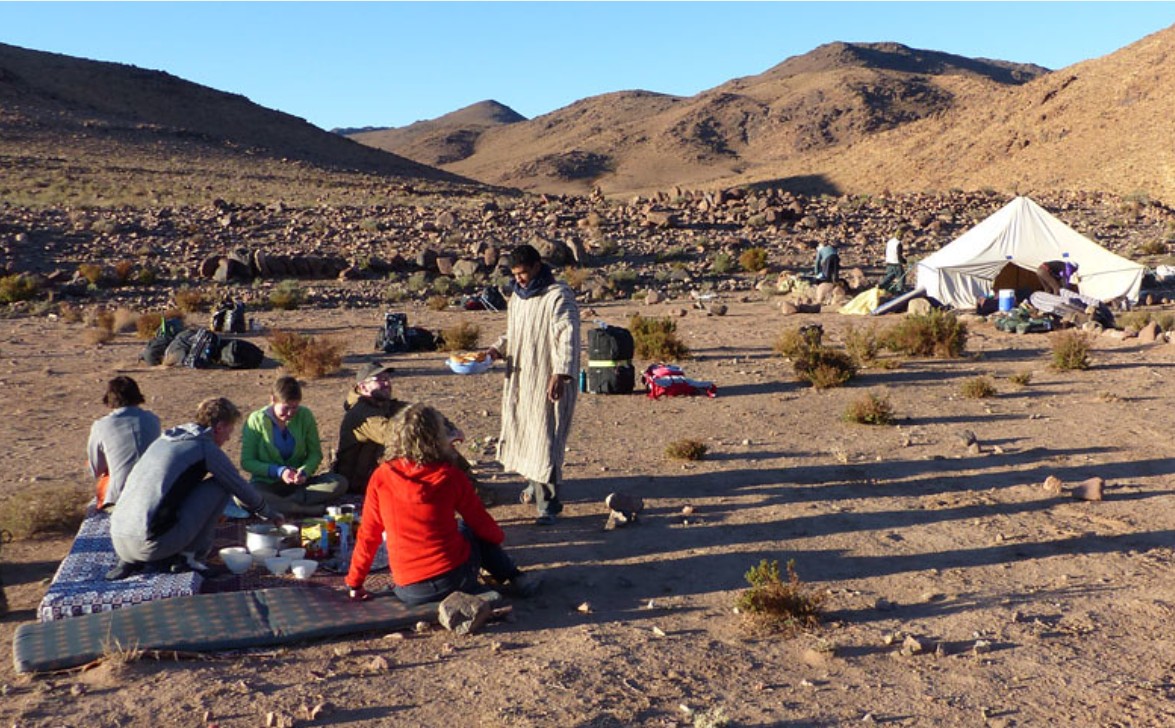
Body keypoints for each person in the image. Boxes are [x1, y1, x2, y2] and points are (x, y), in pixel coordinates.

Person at [345, 404, 539, 605]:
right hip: (453, 578)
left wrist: (355, 583)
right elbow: (482, 524)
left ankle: (492, 584)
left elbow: (368, 534)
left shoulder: (381, 476)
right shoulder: (450, 476)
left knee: (462, 531)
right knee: (468, 528)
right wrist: (497, 541)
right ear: (437, 437)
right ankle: (514, 577)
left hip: (409, 590)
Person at [108, 397, 281, 580]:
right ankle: (190, 559)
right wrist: (269, 513)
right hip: (150, 546)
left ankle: (138, 559)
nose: (229, 437)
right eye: (229, 430)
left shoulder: (166, 439)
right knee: (221, 484)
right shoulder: (204, 446)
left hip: (119, 542)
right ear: (220, 427)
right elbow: (238, 485)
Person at [486, 244, 580, 525]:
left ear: (538, 266)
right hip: (522, 376)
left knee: (545, 439)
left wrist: (560, 373)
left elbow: (568, 336)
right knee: (526, 432)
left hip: (548, 378)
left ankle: (548, 504)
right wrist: (495, 350)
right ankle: (532, 486)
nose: (520, 279)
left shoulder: (558, 296)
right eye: (515, 275)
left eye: (524, 273)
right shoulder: (518, 297)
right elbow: (515, 332)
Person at [333, 362, 495, 504]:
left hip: (376, 470)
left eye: (387, 378)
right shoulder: (362, 413)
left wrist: (449, 428)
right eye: (379, 380)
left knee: (430, 437)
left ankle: (468, 485)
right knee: (429, 446)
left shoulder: (382, 404)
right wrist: (442, 438)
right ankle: (468, 492)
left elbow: (420, 412)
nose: (386, 383)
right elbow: (394, 436)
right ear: (363, 387)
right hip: (360, 479)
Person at [240, 376, 347, 517]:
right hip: (267, 484)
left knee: (339, 482)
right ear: (273, 400)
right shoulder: (256, 420)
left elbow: (315, 454)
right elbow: (247, 462)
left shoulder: (305, 415)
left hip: (298, 486)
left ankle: (282, 506)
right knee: (242, 495)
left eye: (295, 407)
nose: (290, 413)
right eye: (285, 408)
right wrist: (279, 471)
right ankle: (303, 509)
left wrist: (304, 472)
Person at [87, 376, 161, 509]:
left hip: (121, 499)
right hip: (154, 493)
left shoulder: (101, 426)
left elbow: (96, 470)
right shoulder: (153, 419)